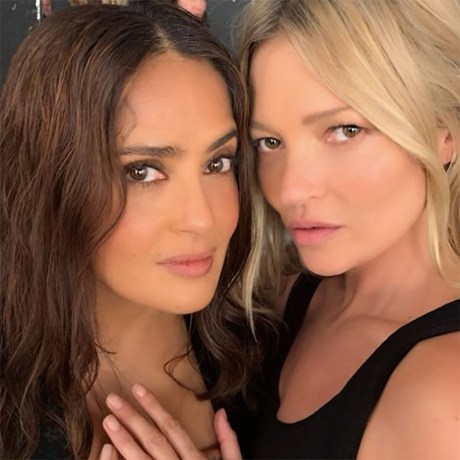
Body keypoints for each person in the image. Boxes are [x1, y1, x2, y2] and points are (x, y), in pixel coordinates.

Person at [99, 0, 460, 459]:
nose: (290, 189)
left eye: (344, 131)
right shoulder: (278, 304)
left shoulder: (445, 391)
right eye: (268, 142)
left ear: (444, 132)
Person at [0, 2, 271, 459]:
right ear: (55, 181)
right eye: (142, 171)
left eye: (217, 163)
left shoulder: (275, 356)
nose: (202, 219)